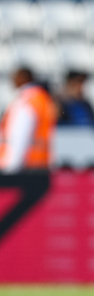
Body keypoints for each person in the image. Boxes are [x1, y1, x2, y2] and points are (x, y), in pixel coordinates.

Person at [0, 67, 57, 242]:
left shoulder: (26, 102)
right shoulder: (42, 100)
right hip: (40, 167)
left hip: (23, 169)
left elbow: (18, 138)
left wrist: (9, 168)